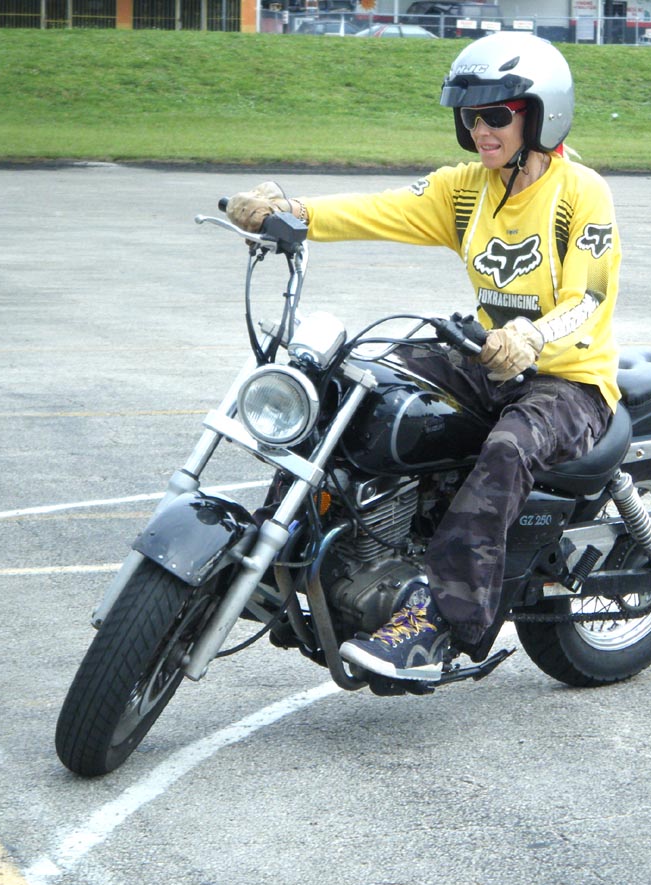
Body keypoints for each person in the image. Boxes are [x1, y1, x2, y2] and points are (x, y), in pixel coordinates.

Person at [225, 32, 621, 683]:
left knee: (507, 449)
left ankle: (438, 619)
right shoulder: (466, 191)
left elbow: (592, 295)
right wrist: (287, 211)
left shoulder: (581, 192)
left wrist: (531, 337)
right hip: (489, 362)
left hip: (568, 381)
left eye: (496, 115)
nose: (481, 129)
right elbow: (374, 210)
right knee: (361, 382)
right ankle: (281, 543)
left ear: (539, 115)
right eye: (470, 117)